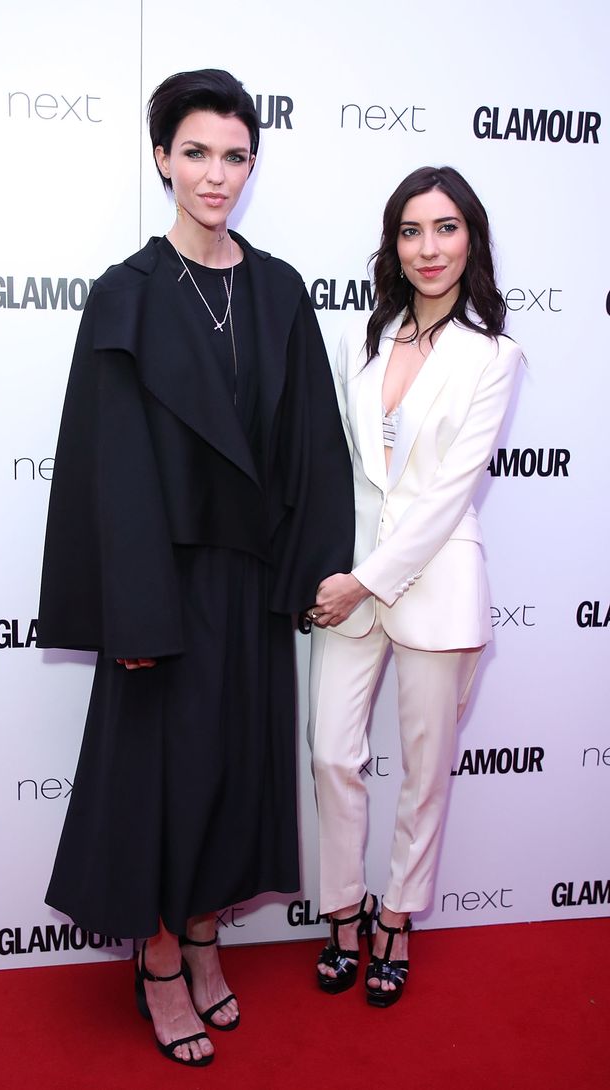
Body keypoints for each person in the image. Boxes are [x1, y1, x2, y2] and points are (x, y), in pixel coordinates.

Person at [36, 69, 354, 1066]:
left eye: (235, 155)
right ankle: (162, 959)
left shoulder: (278, 289)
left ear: (252, 165)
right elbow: (107, 467)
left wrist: (312, 573)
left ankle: (209, 938)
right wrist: (131, 614)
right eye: (197, 153)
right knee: (159, 788)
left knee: (234, 776)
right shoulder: (125, 297)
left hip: (251, 585)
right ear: (163, 157)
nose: (216, 174)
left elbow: (312, 446)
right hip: (160, 590)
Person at [307, 166, 522, 1007]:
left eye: (445, 228)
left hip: (429, 582)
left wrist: (364, 581)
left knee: (425, 772)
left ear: (471, 239)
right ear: (392, 245)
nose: (428, 248)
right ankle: (339, 911)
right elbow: (351, 473)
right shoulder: (365, 338)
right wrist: (340, 573)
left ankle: (395, 915)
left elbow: (445, 495)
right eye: (410, 230)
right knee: (332, 754)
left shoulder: (493, 357)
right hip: (348, 584)